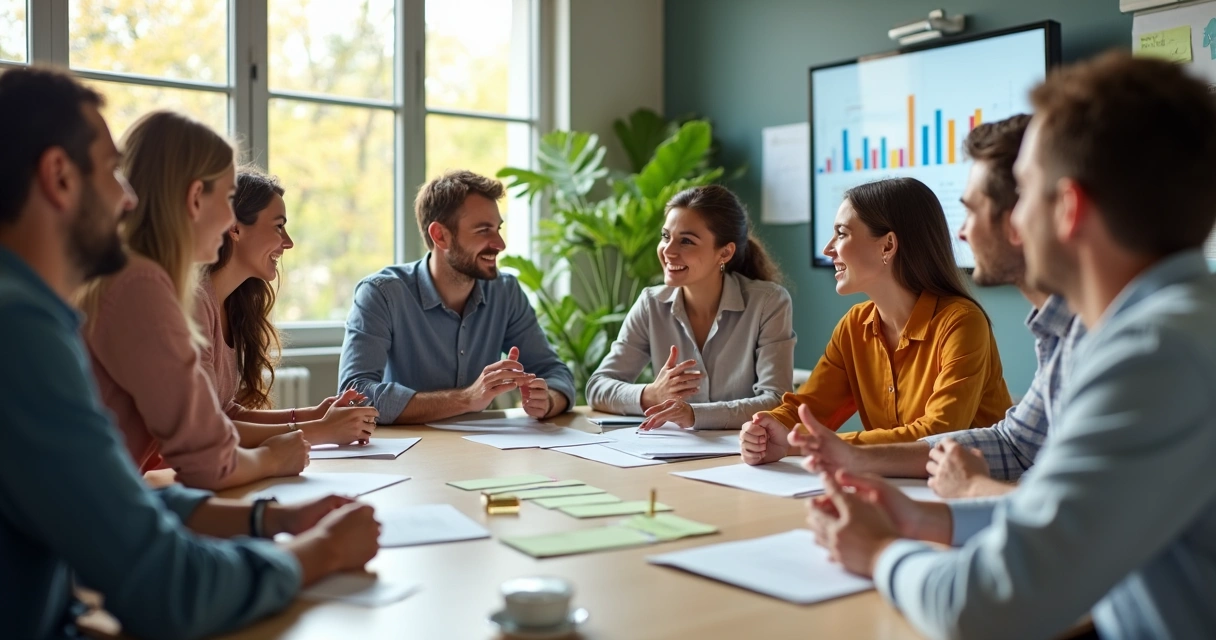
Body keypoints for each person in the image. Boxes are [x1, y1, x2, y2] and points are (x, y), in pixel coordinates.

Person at [803, 52, 1216, 639]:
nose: (1010, 223)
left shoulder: (1152, 354)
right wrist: (921, 517)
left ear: (1068, 209)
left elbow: (987, 605)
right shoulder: (1164, 325)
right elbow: (1062, 512)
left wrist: (879, 552)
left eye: (1023, 194)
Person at [0, 65, 379, 640]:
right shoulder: (23, 328)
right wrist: (320, 552)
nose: (128, 199)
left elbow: (112, 500)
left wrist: (266, 516)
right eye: (111, 172)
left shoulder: (36, 313)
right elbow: (168, 587)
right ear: (59, 177)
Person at [796, 115, 1086, 499]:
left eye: (972, 210)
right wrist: (846, 454)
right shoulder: (1059, 333)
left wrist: (968, 490)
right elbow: (1016, 444)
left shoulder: (1105, 337)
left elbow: (1080, 508)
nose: (961, 232)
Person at [79, 110, 307, 490]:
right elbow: (209, 462)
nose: (230, 219)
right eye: (229, 198)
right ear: (195, 197)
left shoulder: (122, 273)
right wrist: (274, 457)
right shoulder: (140, 284)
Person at [740, 177, 1011, 460]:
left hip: (983, 483)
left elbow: (938, 434)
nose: (828, 249)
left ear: (888, 246)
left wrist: (808, 444)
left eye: (841, 234)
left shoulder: (962, 322)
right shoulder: (854, 325)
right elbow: (809, 409)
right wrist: (766, 429)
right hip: (899, 480)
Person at [339, 170, 576, 424]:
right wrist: (467, 399)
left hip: (482, 445)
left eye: (498, 229)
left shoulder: (505, 292)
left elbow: (555, 372)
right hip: (408, 447)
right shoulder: (382, 294)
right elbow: (354, 396)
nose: (500, 244)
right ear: (440, 236)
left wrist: (548, 399)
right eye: (483, 230)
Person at [585, 184, 795, 430]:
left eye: (686, 241)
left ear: (725, 253)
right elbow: (597, 387)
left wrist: (694, 415)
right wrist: (650, 394)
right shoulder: (651, 304)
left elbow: (776, 400)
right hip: (668, 449)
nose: (668, 251)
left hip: (746, 448)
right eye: (666, 236)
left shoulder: (768, 302)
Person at [197, 167, 379, 447]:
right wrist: (321, 430)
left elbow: (226, 413)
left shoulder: (229, 304)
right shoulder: (196, 304)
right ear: (235, 228)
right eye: (278, 226)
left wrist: (316, 415)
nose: (288, 242)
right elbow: (207, 430)